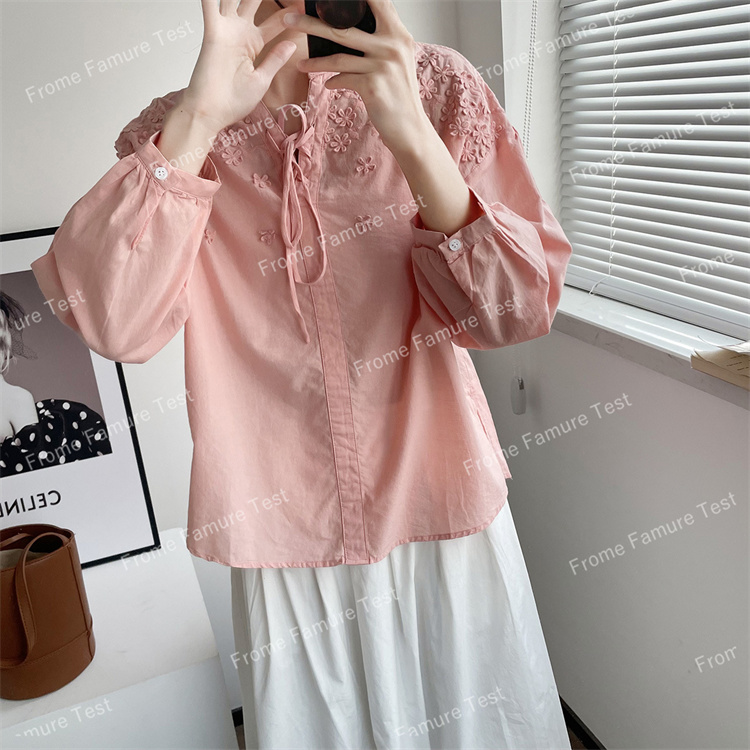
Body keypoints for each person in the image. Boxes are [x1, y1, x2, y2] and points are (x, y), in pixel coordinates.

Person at [31, 0, 574, 747]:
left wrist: (412, 132)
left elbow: (518, 311)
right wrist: (199, 118)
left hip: (439, 511)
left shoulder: (440, 88)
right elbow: (113, 322)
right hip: (282, 534)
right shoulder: (176, 128)